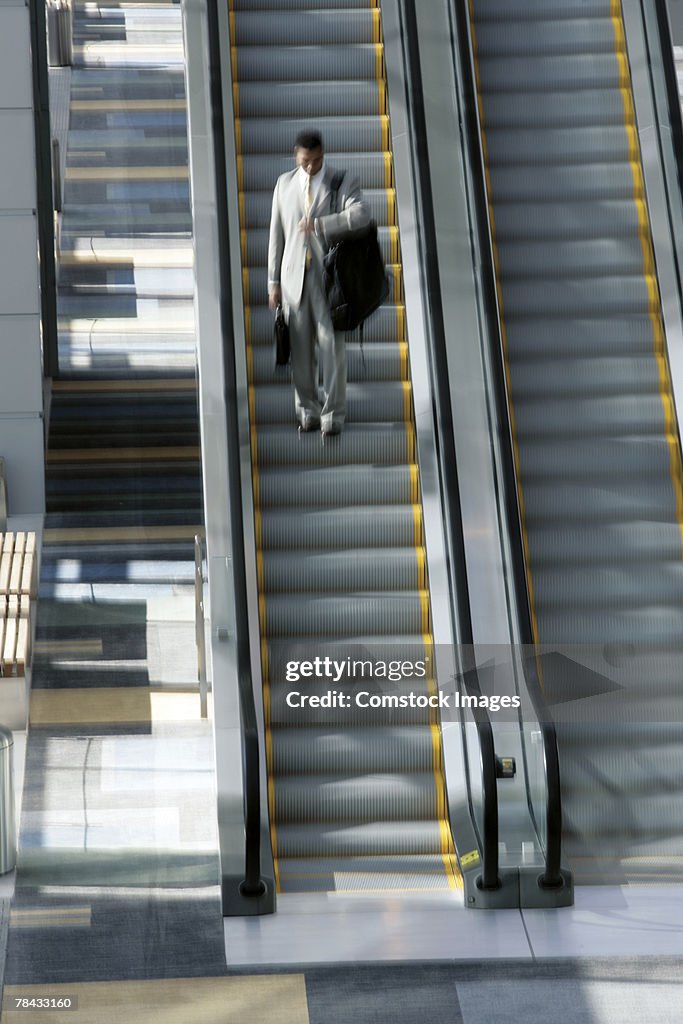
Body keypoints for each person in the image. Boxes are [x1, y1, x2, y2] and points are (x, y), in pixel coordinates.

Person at [268, 130, 371, 437]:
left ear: (323, 154)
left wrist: (322, 224)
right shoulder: (283, 185)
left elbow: (362, 214)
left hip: (330, 283)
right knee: (299, 353)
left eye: (316, 160)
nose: (311, 167)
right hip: (293, 281)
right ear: (296, 156)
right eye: (305, 161)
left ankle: (333, 415)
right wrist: (273, 281)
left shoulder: (341, 182)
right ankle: (307, 412)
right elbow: (277, 235)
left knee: (331, 350)